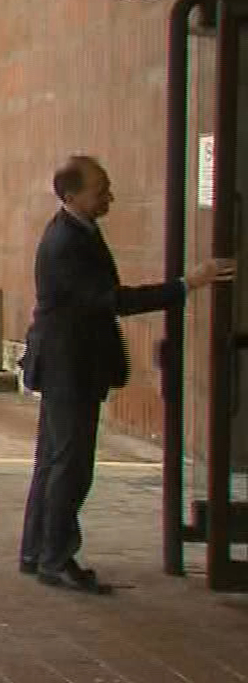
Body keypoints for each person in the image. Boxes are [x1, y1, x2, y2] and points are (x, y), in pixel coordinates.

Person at [17, 155, 232, 593]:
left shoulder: (77, 232)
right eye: (100, 190)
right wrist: (188, 284)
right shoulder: (67, 243)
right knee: (69, 467)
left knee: (54, 462)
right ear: (72, 195)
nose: (109, 196)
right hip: (70, 367)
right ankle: (54, 557)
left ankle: (39, 550)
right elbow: (112, 300)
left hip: (67, 364)